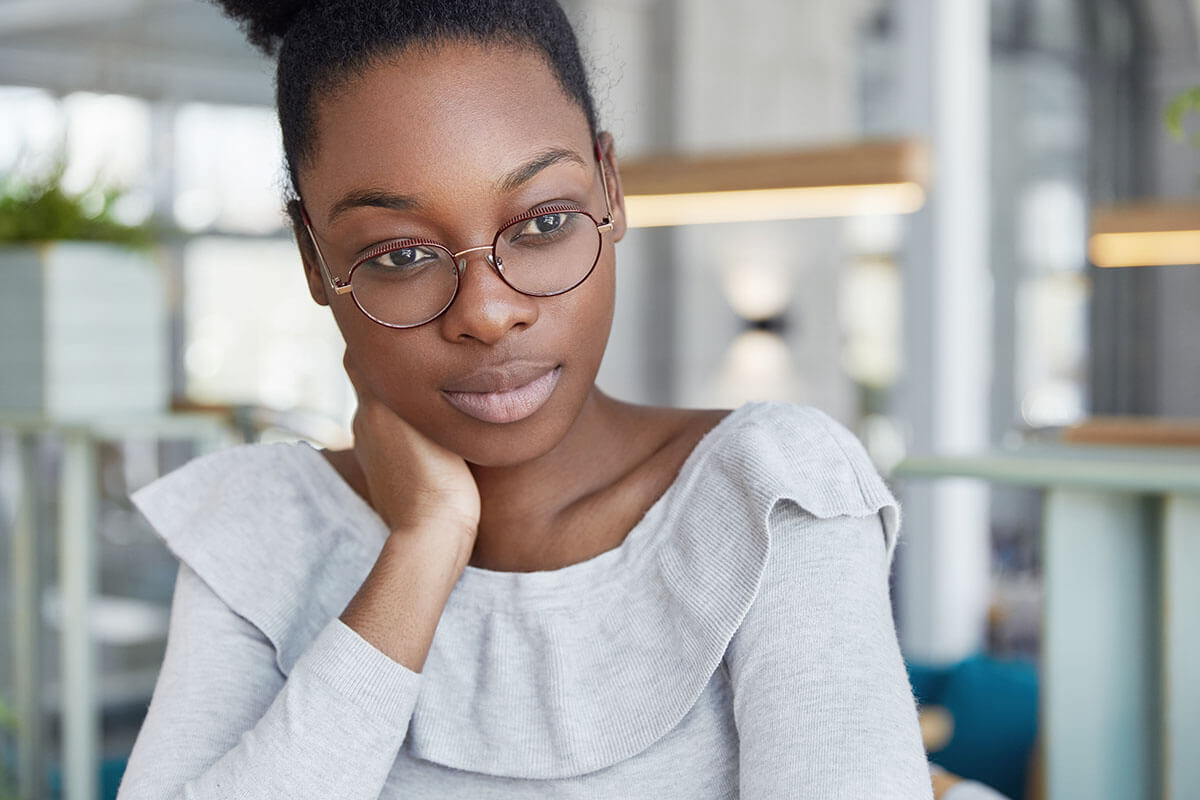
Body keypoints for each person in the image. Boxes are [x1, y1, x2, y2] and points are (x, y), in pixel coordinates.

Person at [116, 1, 947, 797]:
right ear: (312, 256)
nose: (486, 312)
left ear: (610, 189)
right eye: (400, 255)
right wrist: (424, 545)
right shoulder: (264, 528)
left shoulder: (769, 495)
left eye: (543, 223)